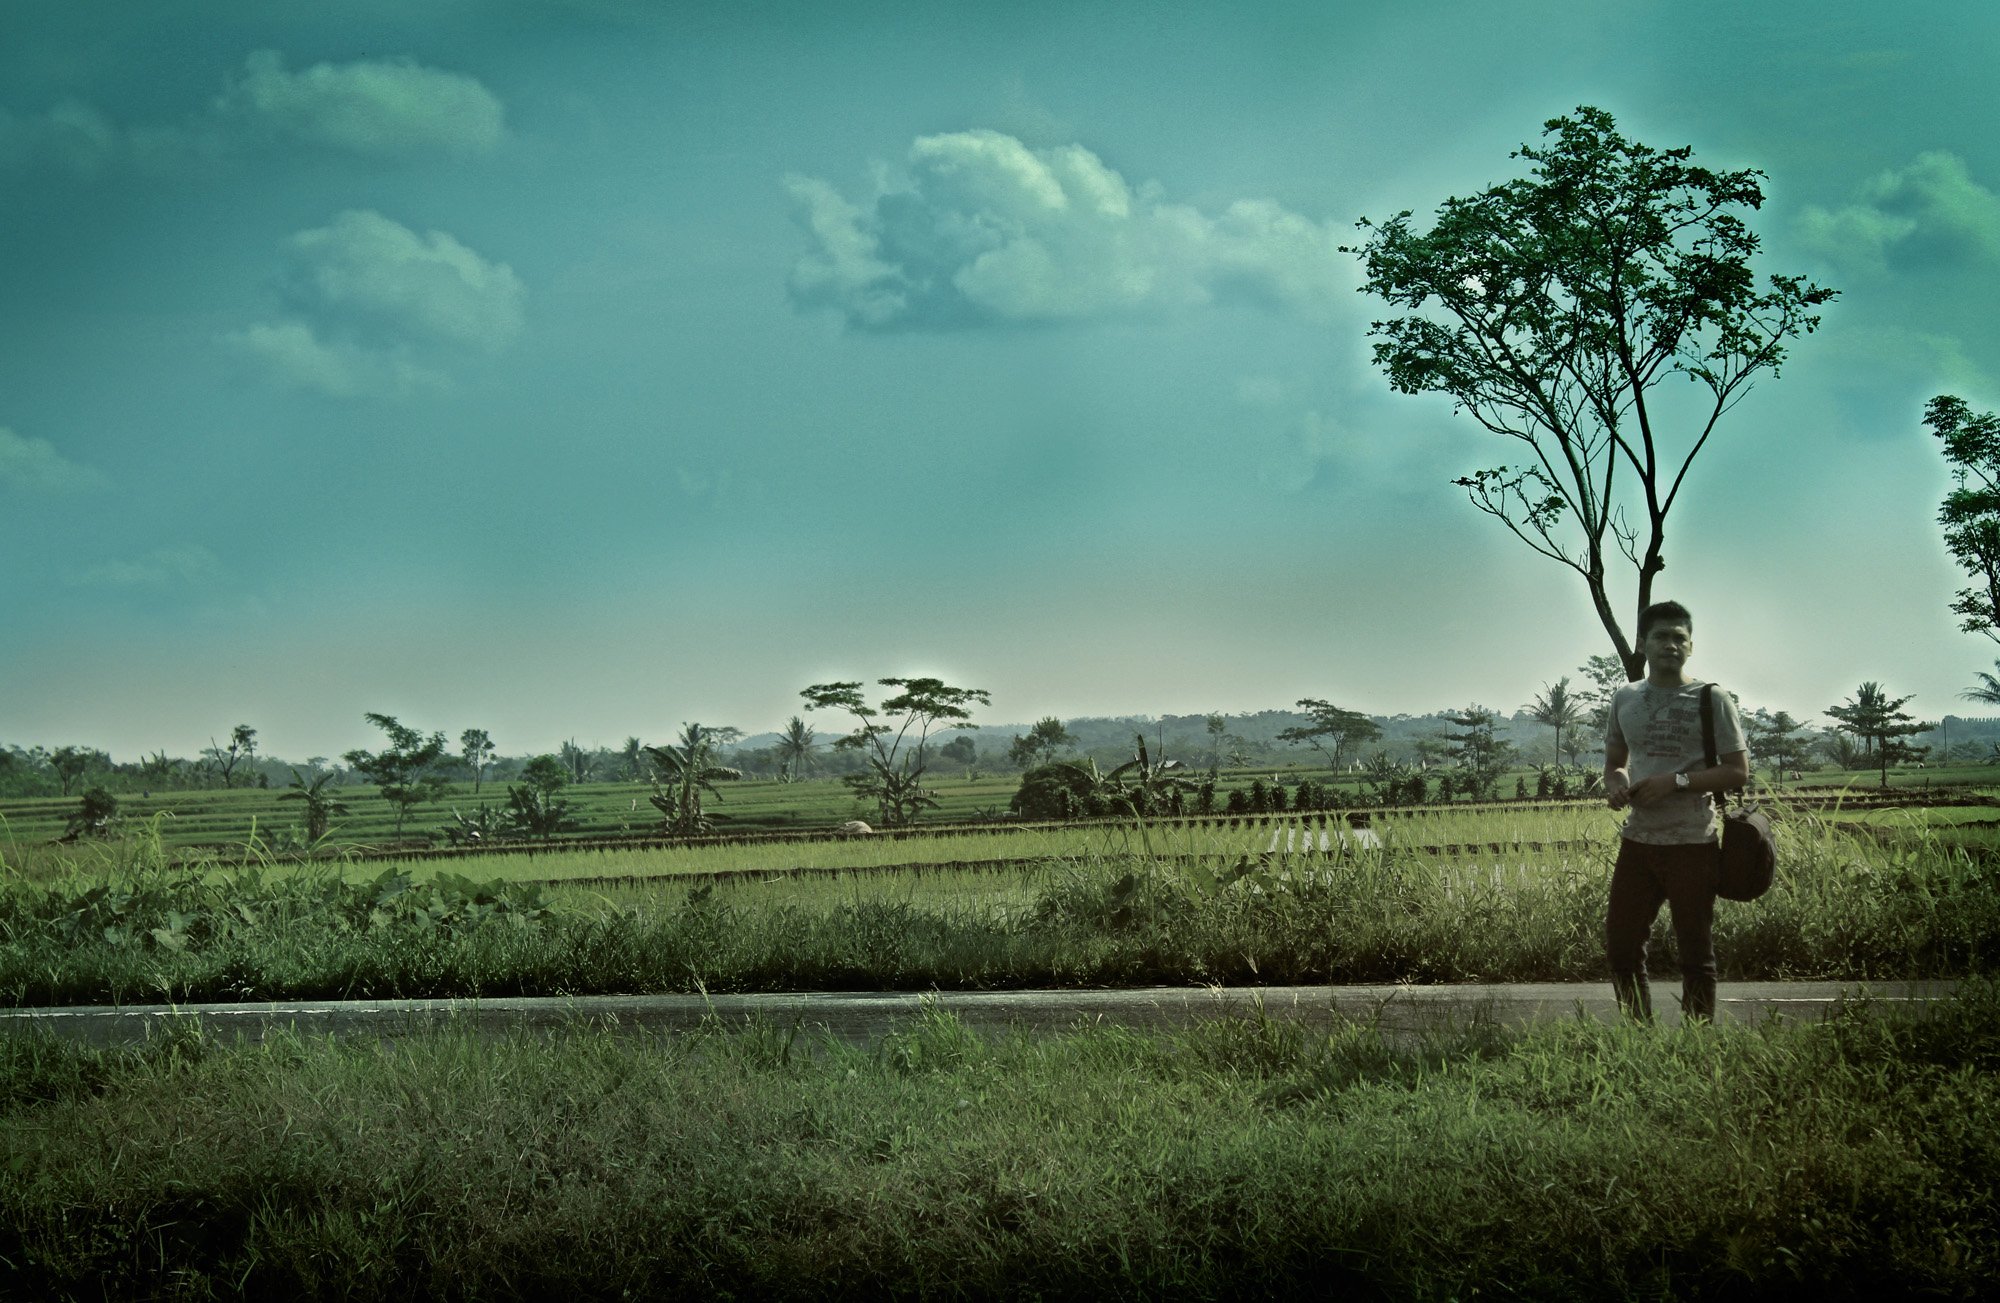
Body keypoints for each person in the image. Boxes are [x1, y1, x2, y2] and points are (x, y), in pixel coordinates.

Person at [1602, 600, 1749, 1022]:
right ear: (1643, 644)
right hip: (1638, 841)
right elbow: (1615, 761)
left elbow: (1737, 771)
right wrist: (1616, 785)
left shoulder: (1712, 698)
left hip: (1694, 842)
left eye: (1679, 638)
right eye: (1661, 637)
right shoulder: (1625, 697)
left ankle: (1697, 1042)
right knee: (1622, 948)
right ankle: (1638, 1037)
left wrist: (1676, 781)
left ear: (1691, 646)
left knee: (1695, 954)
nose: (1670, 645)